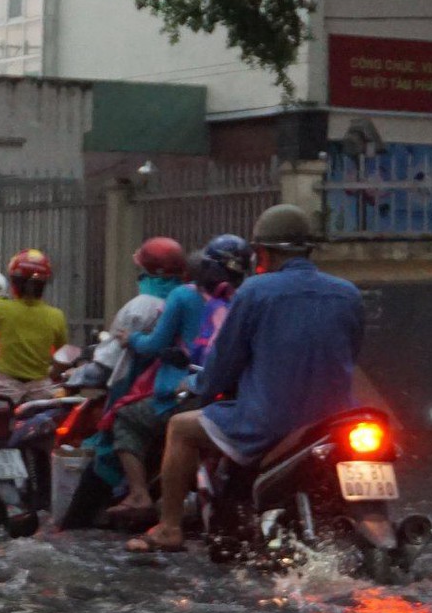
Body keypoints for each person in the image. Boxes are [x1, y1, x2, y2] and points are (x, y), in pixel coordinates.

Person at [130, 205, 363, 553]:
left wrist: (199, 386)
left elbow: (223, 364)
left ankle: (169, 528)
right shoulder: (348, 293)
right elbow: (351, 354)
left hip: (269, 422)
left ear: (263, 253)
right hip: (335, 423)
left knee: (180, 427)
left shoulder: (254, 292)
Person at [105, 236, 248, 518]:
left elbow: (154, 345)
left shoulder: (181, 296)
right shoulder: (243, 299)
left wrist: (130, 339)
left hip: (184, 392)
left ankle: (138, 494)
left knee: (125, 418)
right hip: (232, 392)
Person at [90, 236, 187, 400]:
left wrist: (80, 374)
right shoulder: (188, 297)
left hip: (137, 388)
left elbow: (110, 360)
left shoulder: (141, 306)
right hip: (180, 384)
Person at [0, 249, 67, 404]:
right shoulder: (56, 316)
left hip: (4, 389)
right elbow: (63, 358)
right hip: (42, 391)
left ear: (14, 281)